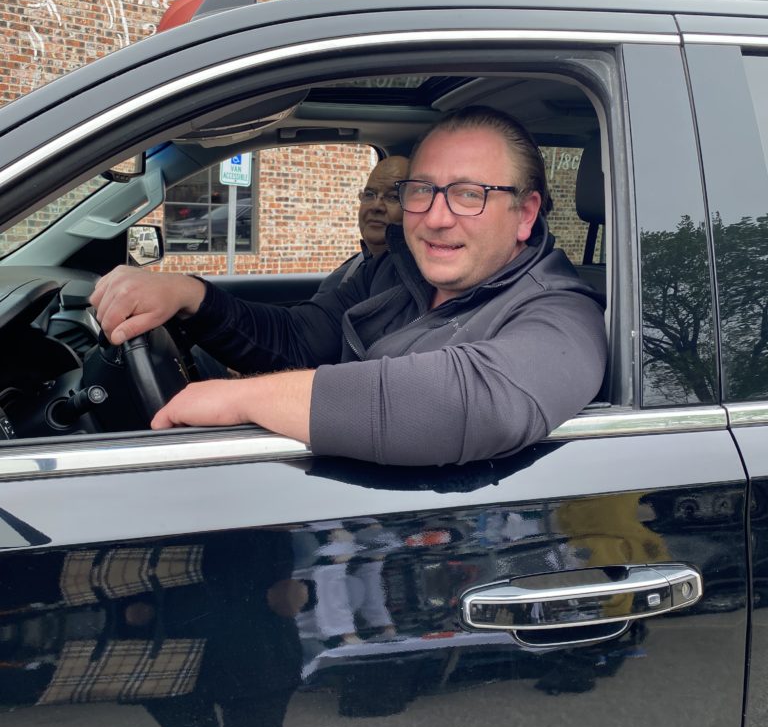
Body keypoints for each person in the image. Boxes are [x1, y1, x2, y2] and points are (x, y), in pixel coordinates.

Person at [91, 107, 608, 467]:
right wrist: (189, 295)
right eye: (423, 191)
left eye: (469, 195)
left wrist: (240, 399)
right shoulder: (398, 269)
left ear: (525, 213)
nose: (436, 218)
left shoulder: (561, 313)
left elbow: (477, 401)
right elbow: (302, 337)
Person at [317, 154, 409, 292]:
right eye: (369, 194)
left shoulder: (415, 285)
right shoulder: (348, 271)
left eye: (393, 197)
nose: (376, 206)